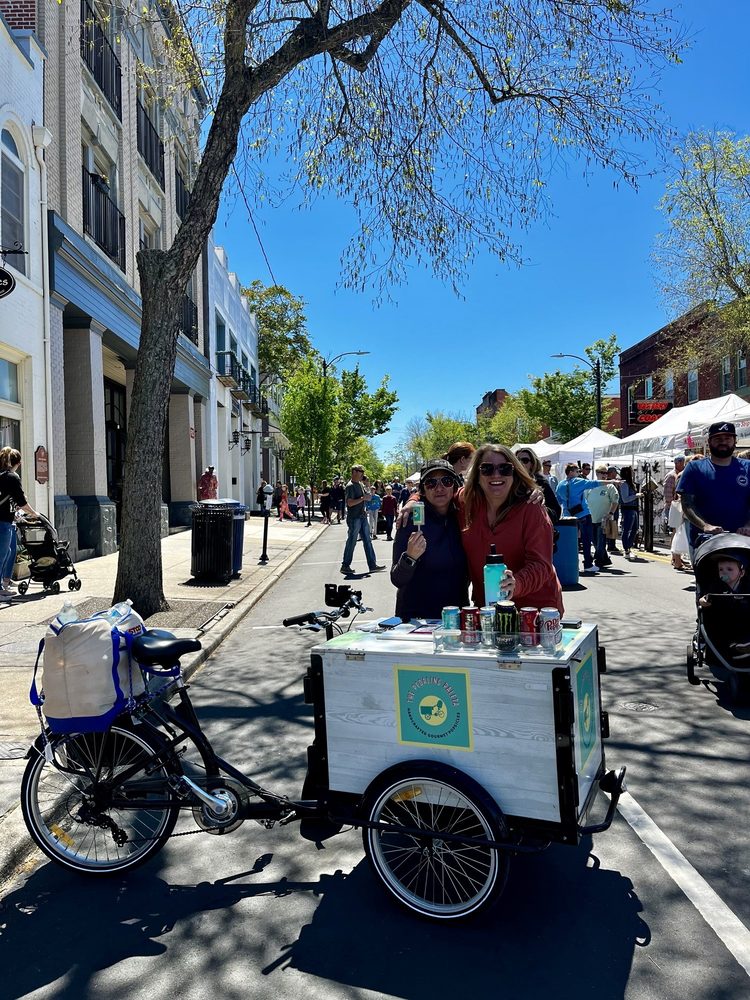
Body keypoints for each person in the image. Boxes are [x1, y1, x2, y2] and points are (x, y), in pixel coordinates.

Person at [461, 445, 563, 610]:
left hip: (534, 609)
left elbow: (541, 564)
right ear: (477, 475)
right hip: (488, 609)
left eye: (505, 469)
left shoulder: (531, 506)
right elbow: (437, 495)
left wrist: (516, 583)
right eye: (486, 468)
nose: (496, 474)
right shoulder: (466, 503)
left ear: (515, 473)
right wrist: (413, 501)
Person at [390, 459, 469, 619]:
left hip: (456, 616)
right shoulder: (410, 520)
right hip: (418, 620)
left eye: (446, 481)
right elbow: (397, 579)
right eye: (431, 483)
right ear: (423, 489)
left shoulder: (463, 516)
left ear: (454, 485)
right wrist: (410, 557)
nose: (439, 488)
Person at [676, 422, 750, 560]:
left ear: (735, 441)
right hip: (706, 541)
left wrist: (748, 525)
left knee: (742, 579)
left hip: (742, 540)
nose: (723, 442)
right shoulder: (694, 468)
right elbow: (687, 504)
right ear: (709, 442)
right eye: (718, 439)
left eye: (727, 438)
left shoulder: (747, 467)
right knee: (708, 580)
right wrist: (705, 526)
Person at [0, 447, 41, 598]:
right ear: (18, 463)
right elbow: (22, 501)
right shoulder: (12, 477)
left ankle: (4, 582)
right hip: (3, 521)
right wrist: (34, 513)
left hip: (7, 519)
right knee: (2, 554)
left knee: (8, 552)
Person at [556, 464, 603, 575]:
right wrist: (612, 481)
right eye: (577, 471)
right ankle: (588, 564)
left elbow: (558, 501)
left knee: (572, 542)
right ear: (571, 472)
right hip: (583, 514)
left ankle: (572, 565)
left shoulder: (560, 485)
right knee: (587, 540)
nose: (579, 473)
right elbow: (595, 483)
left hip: (568, 517)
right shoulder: (578, 481)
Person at [340, 465, 386, 575]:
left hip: (361, 516)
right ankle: (345, 565)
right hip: (354, 518)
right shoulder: (350, 486)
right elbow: (350, 503)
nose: (363, 474)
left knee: (367, 540)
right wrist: (363, 498)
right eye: (361, 471)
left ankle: (372, 565)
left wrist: (367, 488)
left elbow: (366, 498)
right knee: (352, 541)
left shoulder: (360, 484)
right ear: (354, 472)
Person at [514, 447, 561, 525]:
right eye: (517, 460)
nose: (520, 463)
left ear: (532, 464)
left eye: (525, 460)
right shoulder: (509, 481)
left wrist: (541, 507)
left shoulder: (541, 482)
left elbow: (556, 511)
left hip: (535, 529)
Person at [588, 465, 620, 569]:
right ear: (597, 473)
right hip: (591, 517)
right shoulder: (591, 485)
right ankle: (605, 559)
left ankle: (599, 560)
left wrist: (610, 513)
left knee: (601, 540)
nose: (604, 475)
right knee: (595, 541)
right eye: (602, 473)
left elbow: (615, 501)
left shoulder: (610, 486)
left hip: (603, 519)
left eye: (606, 473)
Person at [617, 466, 641, 561]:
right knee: (627, 529)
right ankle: (626, 549)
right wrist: (636, 496)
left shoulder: (630, 484)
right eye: (632, 472)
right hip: (628, 509)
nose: (633, 473)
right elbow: (625, 499)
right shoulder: (624, 484)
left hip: (633, 509)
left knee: (634, 529)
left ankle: (628, 547)